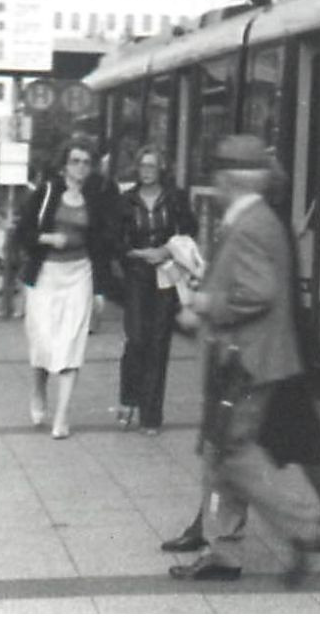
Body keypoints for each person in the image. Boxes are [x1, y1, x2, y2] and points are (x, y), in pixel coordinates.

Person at [168, 134, 320, 584]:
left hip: (247, 361)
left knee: (230, 454)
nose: (214, 187)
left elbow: (257, 292)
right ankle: (225, 551)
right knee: (223, 451)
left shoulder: (250, 224)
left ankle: (305, 527)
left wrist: (204, 305)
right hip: (251, 358)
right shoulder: (256, 219)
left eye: (217, 177)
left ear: (230, 179)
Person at [16, 137, 118, 438]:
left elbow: (103, 243)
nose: (81, 167)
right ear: (64, 163)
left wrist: (101, 289)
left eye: (87, 162)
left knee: (71, 342)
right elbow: (23, 232)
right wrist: (49, 239)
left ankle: (61, 416)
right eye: (75, 161)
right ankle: (38, 389)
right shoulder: (47, 191)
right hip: (46, 273)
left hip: (80, 273)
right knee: (43, 340)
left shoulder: (97, 196)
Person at [115, 145, 196, 434]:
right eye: (143, 166)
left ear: (162, 168)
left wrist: (165, 250)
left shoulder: (175, 198)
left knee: (159, 343)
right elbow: (115, 239)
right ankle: (128, 398)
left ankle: (151, 416)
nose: (147, 170)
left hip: (166, 275)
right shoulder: (126, 200)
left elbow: (189, 231)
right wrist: (137, 254)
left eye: (152, 166)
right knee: (136, 338)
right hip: (137, 275)